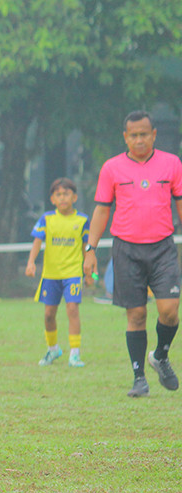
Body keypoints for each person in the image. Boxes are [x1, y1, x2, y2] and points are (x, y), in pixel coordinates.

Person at [83, 110, 182, 398]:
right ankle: (139, 377)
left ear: (154, 135)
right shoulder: (112, 168)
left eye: (144, 134)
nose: (139, 139)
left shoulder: (172, 164)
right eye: (133, 135)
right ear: (125, 137)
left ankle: (160, 356)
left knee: (169, 311)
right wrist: (90, 249)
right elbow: (102, 209)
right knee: (136, 314)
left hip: (163, 247)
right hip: (126, 249)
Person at [24, 178, 90, 367]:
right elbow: (37, 241)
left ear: (74, 197)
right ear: (52, 199)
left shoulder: (82, 220)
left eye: (66, 194)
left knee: (72, 309)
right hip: (50, 275)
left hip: (73, 273)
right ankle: (53, 350)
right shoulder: (47, 219)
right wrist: (31, 263)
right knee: (48, 314)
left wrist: (90, 273)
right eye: (58, 194)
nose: (62, 198)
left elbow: (87, 247)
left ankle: (75, 354)